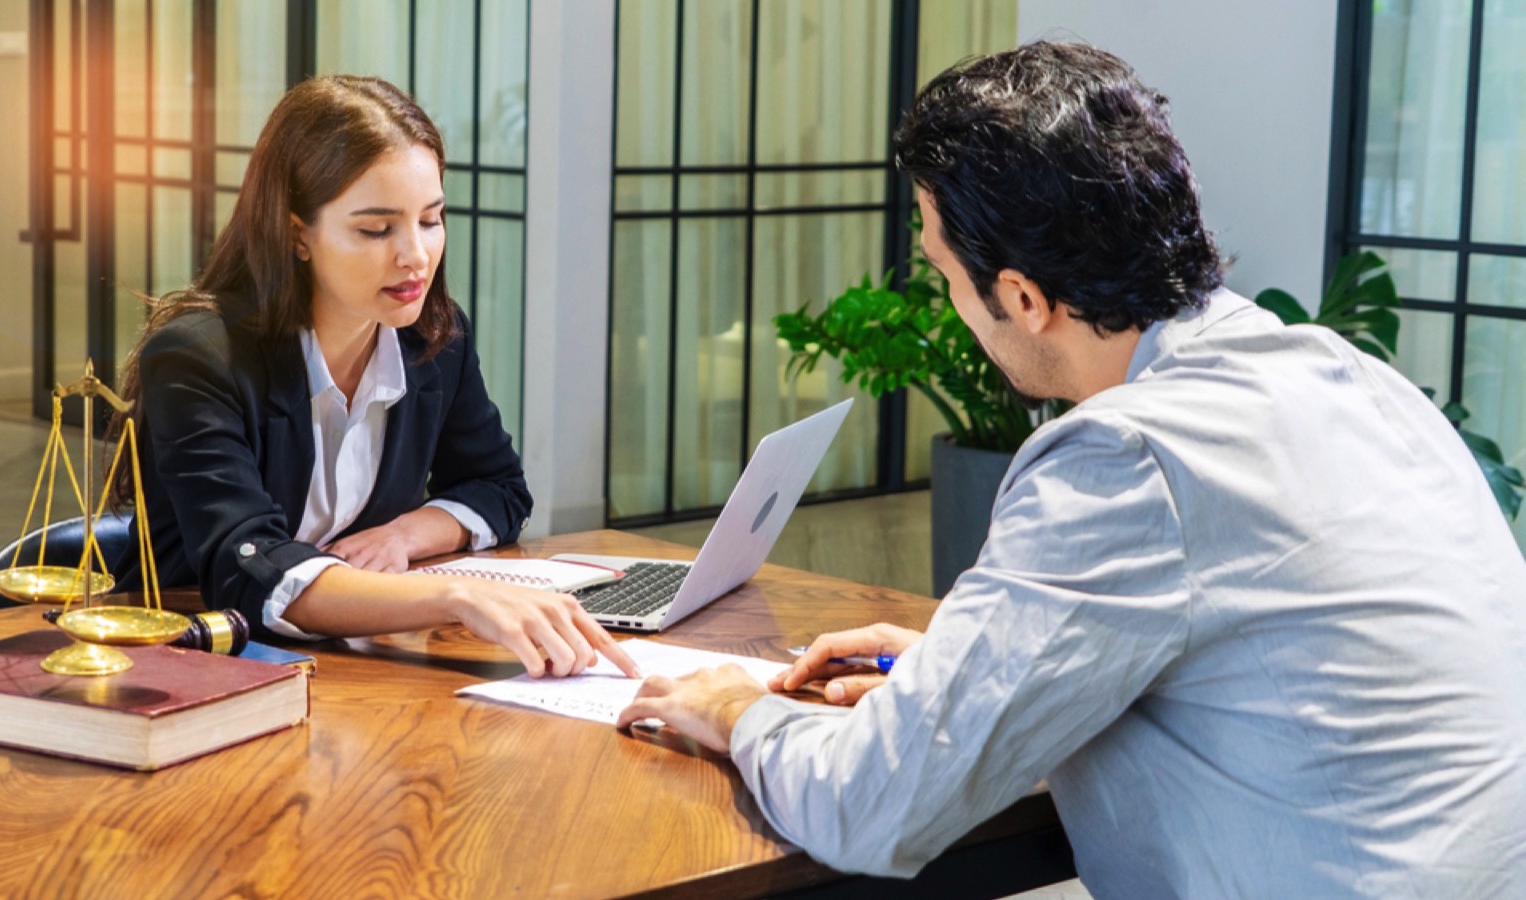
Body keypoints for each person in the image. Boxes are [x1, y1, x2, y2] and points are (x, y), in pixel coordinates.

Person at [617, 41, 1526, 896]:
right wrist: (977, 670)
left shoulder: (1127, 455)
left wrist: (736, 709)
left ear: (1021, 297)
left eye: (944, 274)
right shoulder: (1345, 374)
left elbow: (872, 806)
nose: (949, 303)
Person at [109, 75, 635, 680]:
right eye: (377, 229)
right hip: (197, 665)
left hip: (349, 665)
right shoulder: (199, 359)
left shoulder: (433, 339)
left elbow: (498, 488)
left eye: (431, 220)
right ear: (296, 233)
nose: (415, 255)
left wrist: (405, 535)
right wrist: (460, 594)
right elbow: (248, 566)